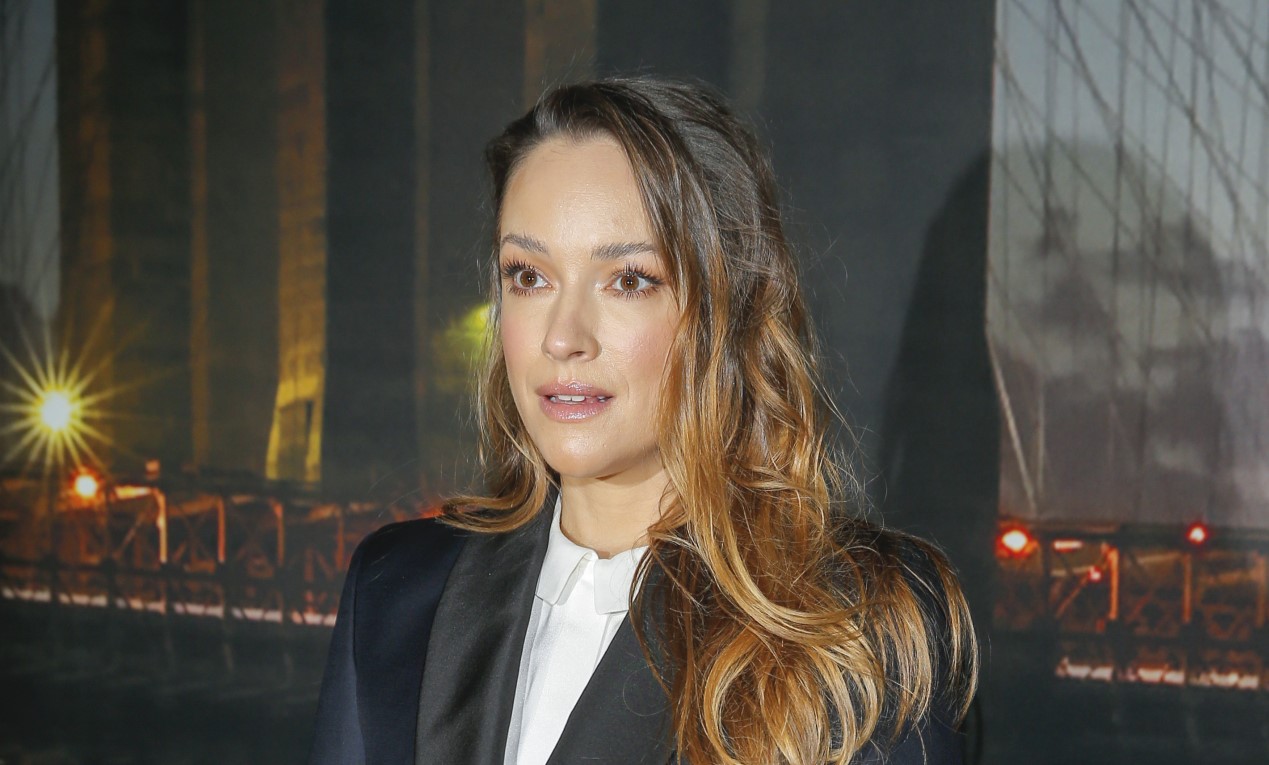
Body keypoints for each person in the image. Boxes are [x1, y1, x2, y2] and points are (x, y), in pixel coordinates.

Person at [309, 76, 977, 765]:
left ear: (726, 309)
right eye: (529, 276)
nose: (562, 337)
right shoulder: (396, 593)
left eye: (628, 280)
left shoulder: (856, 627)